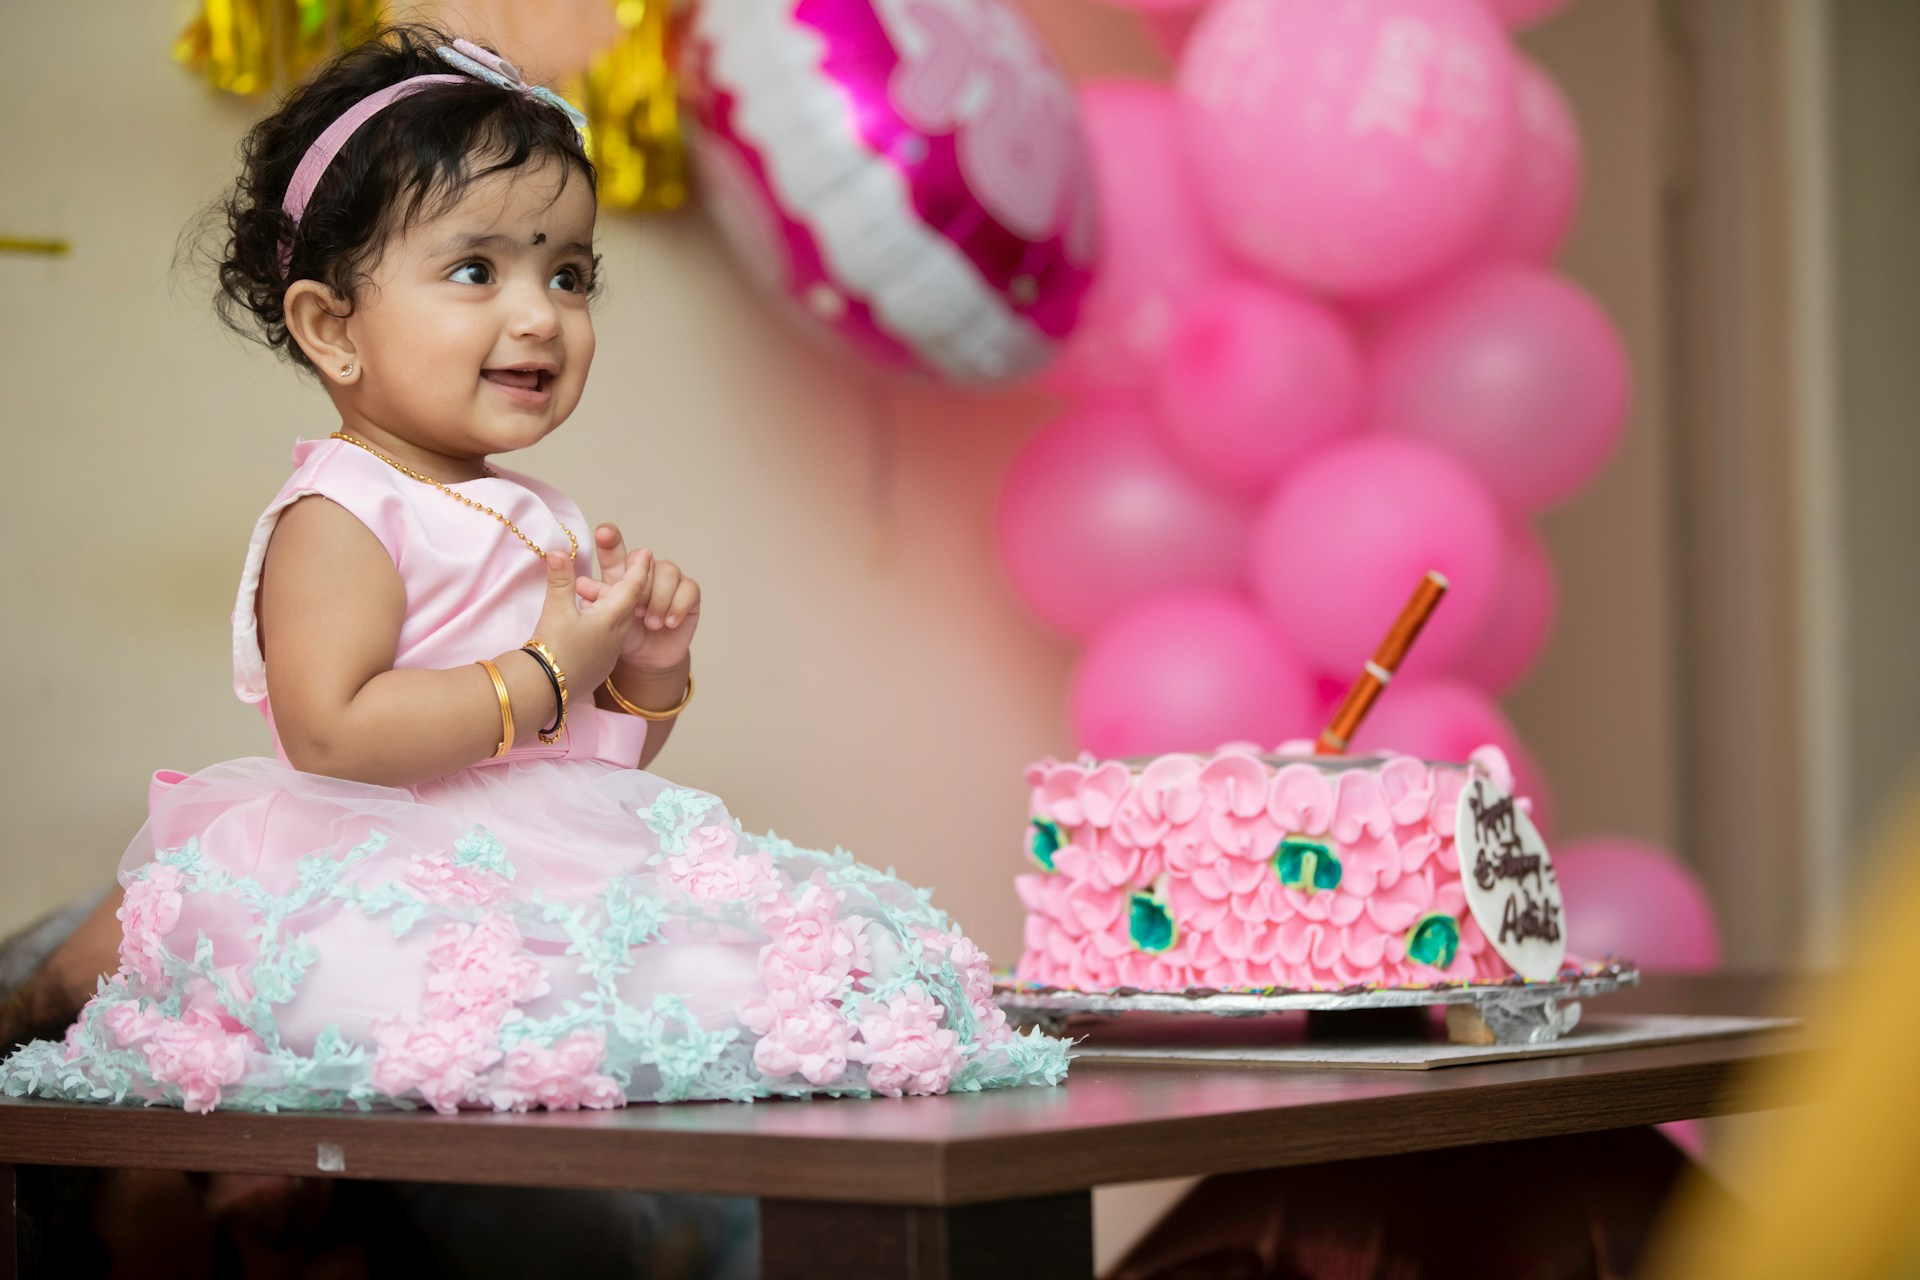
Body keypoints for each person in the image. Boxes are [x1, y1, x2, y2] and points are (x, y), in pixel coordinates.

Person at [0, 24, 1066, 1116]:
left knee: (759, 968)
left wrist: (642, 672)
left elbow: (580, 764)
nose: (539, 316)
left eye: (569, 274)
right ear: (331, 327)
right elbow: (332, 730)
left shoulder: (529, 509)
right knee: (406, 997)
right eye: (476, 270)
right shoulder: (343, 510)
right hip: (380, 866)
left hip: (537, 862)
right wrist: (552, 667)